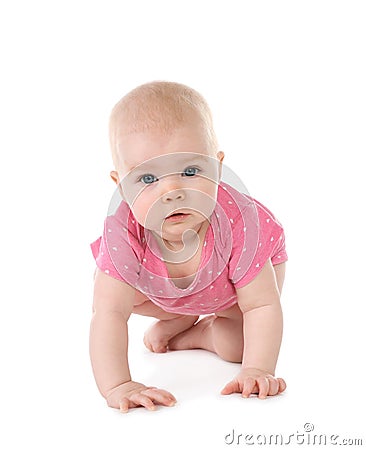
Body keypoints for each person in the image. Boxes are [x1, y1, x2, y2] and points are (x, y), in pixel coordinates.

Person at [90, 81, 288, 413]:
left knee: (239, 344)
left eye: (191, 170)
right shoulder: (124, 233)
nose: (172, 191)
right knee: (110, 290)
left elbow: (261, 306)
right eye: (148, 179)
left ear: (218, 167)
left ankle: (199, 333)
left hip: (236, 286)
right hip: (163, 290)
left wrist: (257, 370)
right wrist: (118, 385)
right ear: (121, 187)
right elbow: (108, 314)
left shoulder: (241, 225)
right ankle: (181, 317)